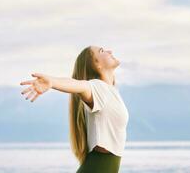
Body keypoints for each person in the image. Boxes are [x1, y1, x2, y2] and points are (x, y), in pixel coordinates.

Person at [20, 45, 129, 173]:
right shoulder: (98, 88)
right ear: (96, 64)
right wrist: (52, 82)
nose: (109, 51)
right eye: (102, 51)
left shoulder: (111, 92)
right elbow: (80, 85)